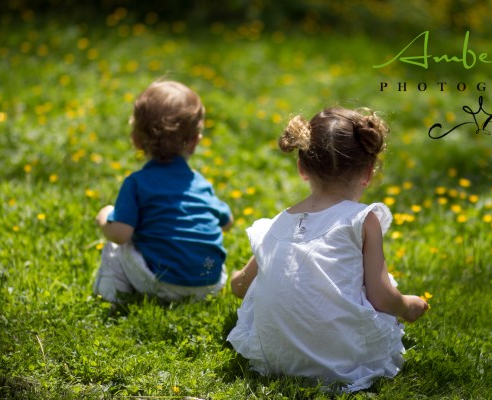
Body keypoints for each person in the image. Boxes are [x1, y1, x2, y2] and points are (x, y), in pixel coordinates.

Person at [227, 107, 428, 392]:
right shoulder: (362, 219)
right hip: (341, 364)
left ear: (302, 168)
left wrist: (234, 278)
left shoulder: (277, 225)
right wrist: (408, 306)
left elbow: (240, 287)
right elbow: (381, 297)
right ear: (368, 173)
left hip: (273, 359)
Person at [93, 80, 233, 304]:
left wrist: (104, 216)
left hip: (162, 283)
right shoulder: (201, 184)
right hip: (210, 284)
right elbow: (227, 222)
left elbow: (120, 234)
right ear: (195, 142)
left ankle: (112, 298)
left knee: (115, 244)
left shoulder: (137, 183)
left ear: (136, 140)